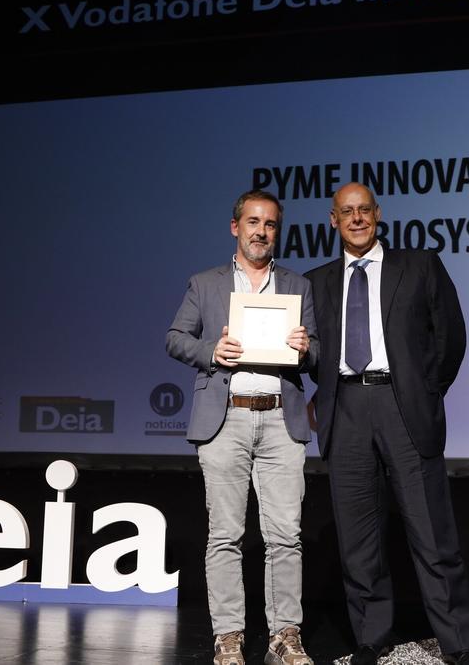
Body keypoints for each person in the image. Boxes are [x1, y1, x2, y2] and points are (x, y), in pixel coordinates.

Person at [304, 183, 469, 665]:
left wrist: (425, 391)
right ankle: (370, 637)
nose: (357, 219)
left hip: (404, 408)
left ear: (378, 214)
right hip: (346, 410)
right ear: (333, 220)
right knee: (358, 538)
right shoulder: (316, 282)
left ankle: (457, 643)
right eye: (347, 212)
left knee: (432, 533)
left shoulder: (420, 265)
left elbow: (451, 337)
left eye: (364, 210)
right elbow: (313, 356)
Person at [166, 189, 319, 665]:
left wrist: (305, 348)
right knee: (225, 535)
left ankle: (284, 636)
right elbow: (175, 338)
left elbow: (316, 353)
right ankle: (228, 637)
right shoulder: (205, 283)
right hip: (225, 417)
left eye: (270, 224)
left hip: (280, 418)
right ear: (236, 227)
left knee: (286, 535)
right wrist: (210, 350)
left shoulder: (297, 285)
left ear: (278, 231)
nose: (261, 231)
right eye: (253, 222)